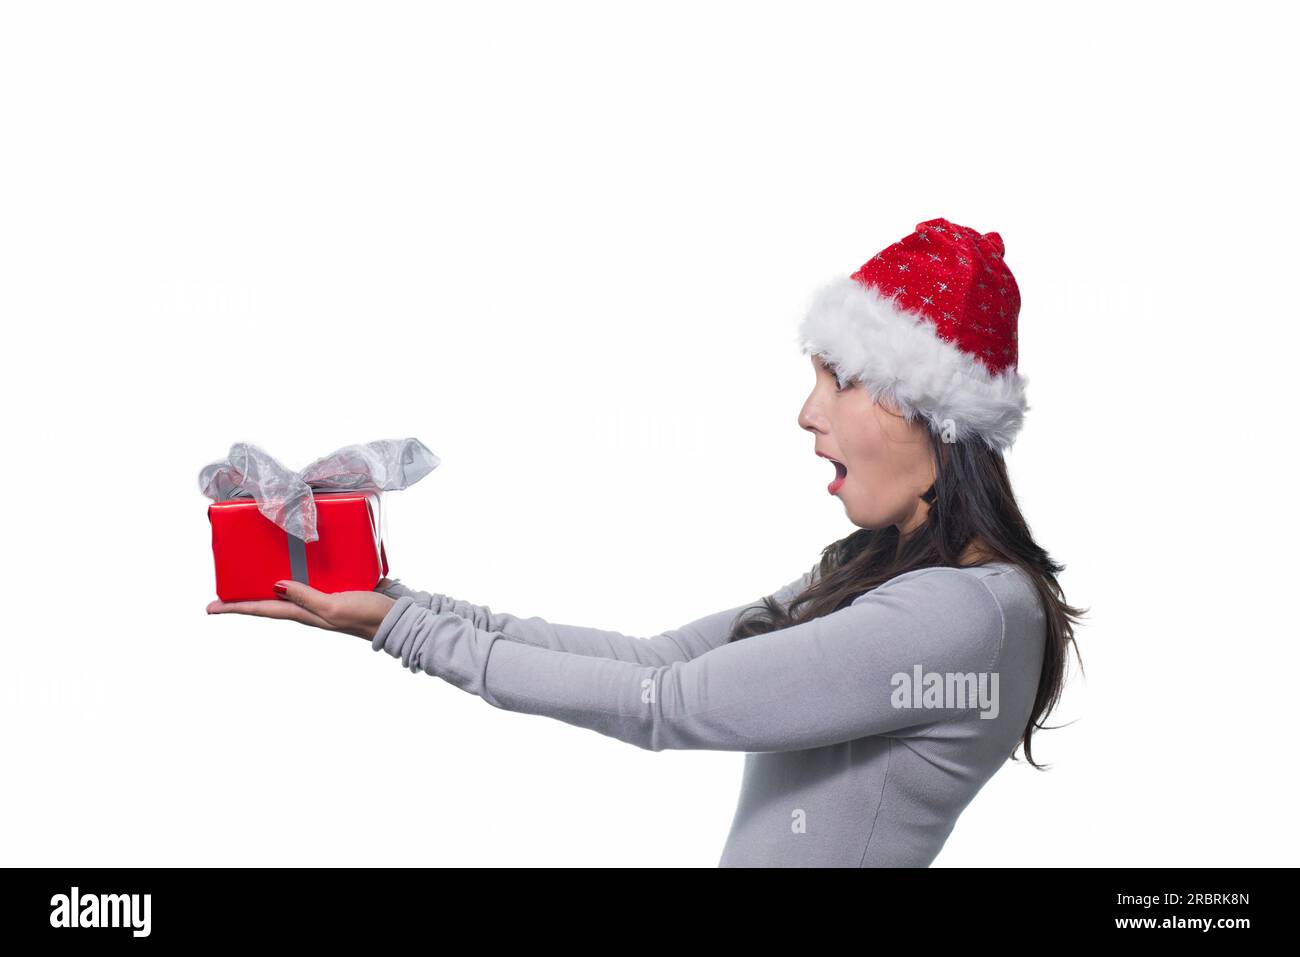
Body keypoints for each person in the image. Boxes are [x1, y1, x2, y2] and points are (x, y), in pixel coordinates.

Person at [207, 216, 1086, 866]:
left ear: (935, 410)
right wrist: (406, 605)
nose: (807, 413)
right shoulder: (882, 573)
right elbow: (653, 657)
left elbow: (662, 702)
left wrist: (402, 634)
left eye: (843, 382)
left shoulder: (961, 614)